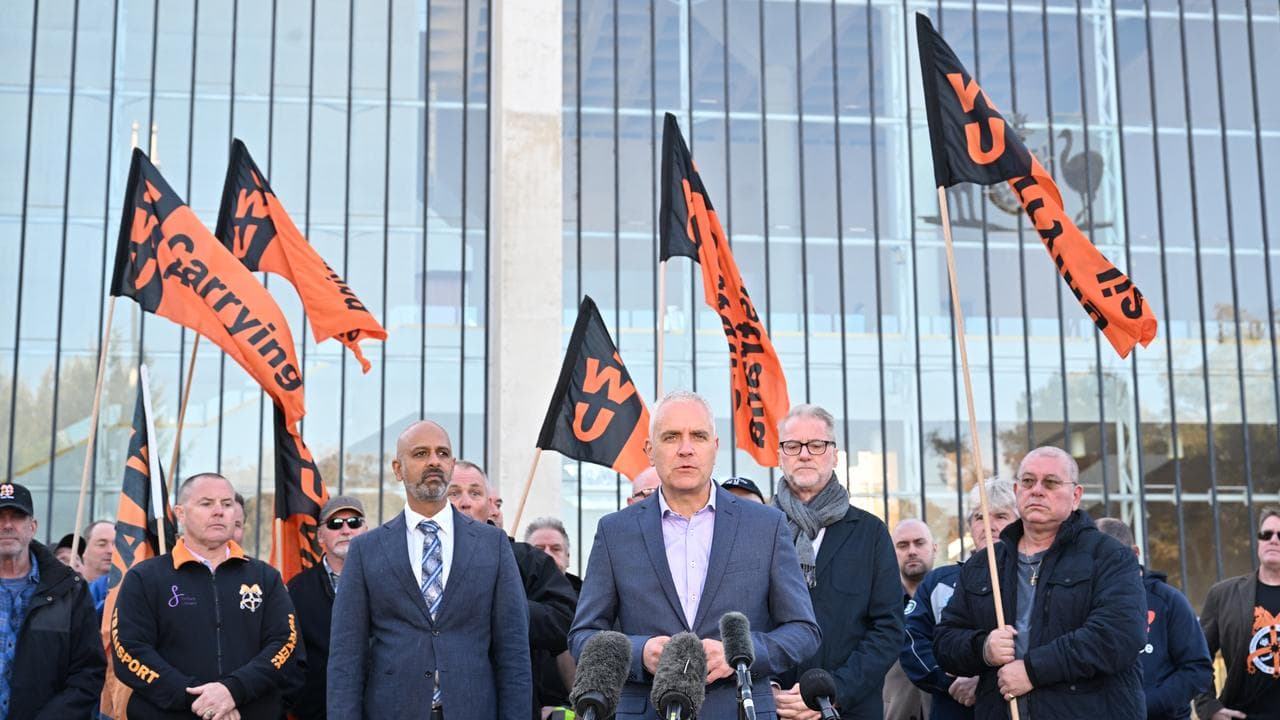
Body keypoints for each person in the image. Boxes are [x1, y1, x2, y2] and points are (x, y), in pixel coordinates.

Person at [569, 390, 821, 719]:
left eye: (698, 436)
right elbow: (583, 636)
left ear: (714, 448)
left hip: (740, 710)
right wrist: (641, 653)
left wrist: (740, 654)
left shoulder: (765, 525)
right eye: (671, 436)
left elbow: (803, 630)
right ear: (649, 450)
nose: (686, 448)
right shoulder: (615, 531)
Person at [328, 421, 531, 719]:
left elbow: (513, 653)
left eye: (442, 453)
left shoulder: (493, 545)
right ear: (398, 469)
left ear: (451, 464)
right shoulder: (365, 550)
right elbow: (346, 659)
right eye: (421, 453)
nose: (434, 461)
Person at [934, 446, 1147, 719]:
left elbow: (1119, 635)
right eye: (1028, 481)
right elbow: (945, 641)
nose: (1037, 490)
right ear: (1016, 491)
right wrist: (983, 648)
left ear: (1076, 496)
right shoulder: (983, 564)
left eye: (1050, 482)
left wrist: (1033, 670)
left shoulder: (1109, 556)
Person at [111, 473, 301, 719]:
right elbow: (129, 651)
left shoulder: (265, 577)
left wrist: (233, 691)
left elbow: (286, 644)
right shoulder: (145, 577)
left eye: (227, 503)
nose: (219, 511)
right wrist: (200, 700)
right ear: (180, 513)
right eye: (206, 503)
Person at [770, 404, 903, 720]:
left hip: (848, 708)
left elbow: (888, 628)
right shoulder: (757, 528)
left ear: (835, 455)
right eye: (793, 445)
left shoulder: (870, 532)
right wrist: (766, 687)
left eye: (816, 445)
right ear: (779, 456)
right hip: (774, 708)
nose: (805, 454)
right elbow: (741, 617)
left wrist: (834, 691)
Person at [448, 461, 576, 720]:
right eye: (454, 493)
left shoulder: (527, 561)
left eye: (475, 493)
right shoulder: (415, 560)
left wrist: (505, 606)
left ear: (490, 506)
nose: (465, 502)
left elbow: (564, 621)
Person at [901, 478, 1018, 720]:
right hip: (953, 708)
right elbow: (911, 640)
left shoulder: (1032, 578)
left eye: (1001, 516)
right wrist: (951, 679)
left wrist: (986, 682)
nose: (989, 525)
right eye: (979, 517)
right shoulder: (938, 582)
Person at [0, 482, 104, 719]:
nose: (7, 525)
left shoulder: (70, 589)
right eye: (0, 517)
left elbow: (88, 671)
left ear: (33, 527)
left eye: (16, 517)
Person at [1095, 517, 1211, 720]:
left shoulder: (1169, 601)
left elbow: (1197, 670)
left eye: (1112, 558)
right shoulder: (1086, 602)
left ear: (1135, 553)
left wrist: (1144, 705)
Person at [285, 495, 369, 720]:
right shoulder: (297, 589)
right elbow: (288, 652)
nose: (345, 530)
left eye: (354, 523)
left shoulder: (388, 582)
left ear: (366, 530)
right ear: (320, 535)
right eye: (335, 524)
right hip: (315, 711)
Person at [1194, 505, 1280, 720]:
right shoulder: (1223, 595)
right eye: (1266, 534)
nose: (1273, 540)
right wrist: (1209, 707)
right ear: (1258, 541)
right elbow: (1196, 656)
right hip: (1241, 714)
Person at [524, 516, 583, 716]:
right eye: (538, 550)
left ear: (568, 556)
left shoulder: (592, 603)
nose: (547, 557)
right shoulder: (509, 602)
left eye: (555, 549)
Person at [883, 519, 937, 720]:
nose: (912, 551)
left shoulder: (954, 597)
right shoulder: (879, 603)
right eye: (902, 545)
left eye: (919, 542)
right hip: (894, 712)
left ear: (934, 547)